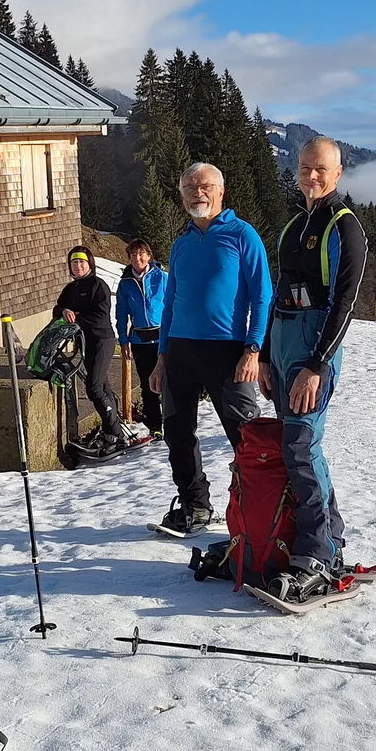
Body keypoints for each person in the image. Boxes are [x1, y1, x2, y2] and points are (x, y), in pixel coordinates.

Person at [259, 138, 368, 603]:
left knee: (301, 446)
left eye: (320, 169)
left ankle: (318, 551)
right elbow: (277, 291)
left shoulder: (344, 228)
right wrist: (265, 354)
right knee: (296, 446)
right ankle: (330, 537)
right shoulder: (293, 227)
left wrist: (317, 365)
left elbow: (344, 303)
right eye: (305, 168)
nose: (311, 176)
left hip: (312, 347)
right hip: (283, 341)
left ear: (339, 172)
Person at [147, 163, 273, 535]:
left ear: (221, 191)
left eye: (204, 186)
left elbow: (262, 296)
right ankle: (195, 506)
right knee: (177, 433)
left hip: (228, 350)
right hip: (181, 351)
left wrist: (253, 350)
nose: (196, 193)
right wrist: (161, 358)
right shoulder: (181, 243)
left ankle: (259, 509)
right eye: (189, 187)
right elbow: (169, 304)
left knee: (244, 436)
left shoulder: (242, 235)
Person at [52, 245, 128, 452]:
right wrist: (64, 310)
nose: (77, 266)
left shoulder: (98, 285)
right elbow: (56, 309)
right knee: (103, 387)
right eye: (74, 263)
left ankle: (113, 432)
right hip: (84, 342)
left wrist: (77, 318)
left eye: (81, 263)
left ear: (89, 264)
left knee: (93, 388)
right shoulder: (70, 289)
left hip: (102, 340)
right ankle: (116, 433)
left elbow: (100, 314)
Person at [116, 238, 168, 438]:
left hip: (163, 337)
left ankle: (175, 421)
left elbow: (174, 305)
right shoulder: (125, 284)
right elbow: (121, 314)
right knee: (148, 385)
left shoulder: (161, 278)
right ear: (129, 258)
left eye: (141, 254)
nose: (138, 258)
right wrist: (123, 340)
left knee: (171, 381)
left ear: (148, 256)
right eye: (133, 255)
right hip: (140, 340)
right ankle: (155, 426)